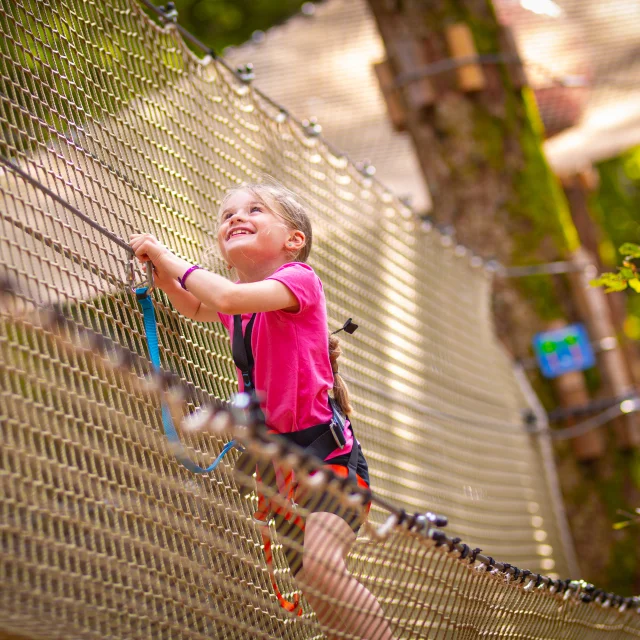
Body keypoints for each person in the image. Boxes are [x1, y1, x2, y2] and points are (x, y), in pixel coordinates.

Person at [130, 180, 393, 640]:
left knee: (323, 566)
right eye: (227, 215)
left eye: (255, 210)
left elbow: (226, 299)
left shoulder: (298, 280)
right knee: (314, 583)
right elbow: (195, 305)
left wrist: (169, 257)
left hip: (327, 460)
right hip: (280, 470)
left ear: (294, 240)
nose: (235, 217)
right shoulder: (239, 298)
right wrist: (164, 276)